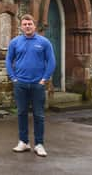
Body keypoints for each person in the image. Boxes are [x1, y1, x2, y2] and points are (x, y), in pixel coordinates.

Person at [6, 14, 56, 158]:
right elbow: (9, 60)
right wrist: (13, 79)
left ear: (35, 26)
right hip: (20, 84)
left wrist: (44, 79)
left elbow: (51, 62)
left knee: (38, 115)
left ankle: (39, 144)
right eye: (25, 24)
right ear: (21, 26)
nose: (27, 26)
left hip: (37, 85)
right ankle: (23, 142)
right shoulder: (15, 42)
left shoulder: (44, 42)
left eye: (30, 24)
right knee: (21, 113)